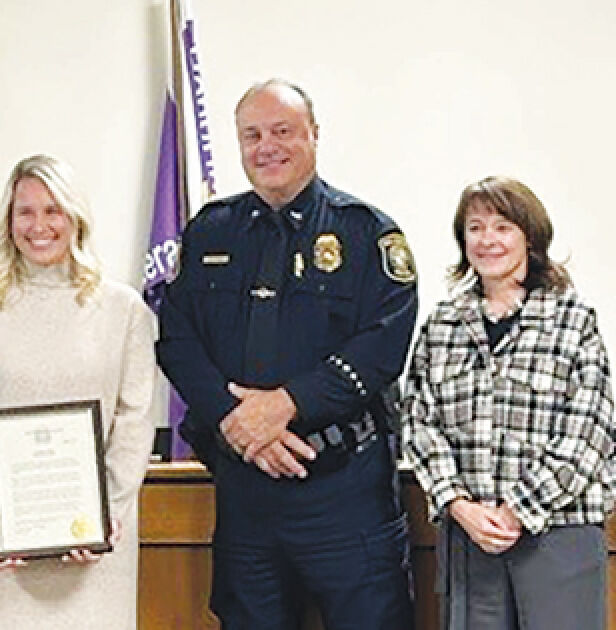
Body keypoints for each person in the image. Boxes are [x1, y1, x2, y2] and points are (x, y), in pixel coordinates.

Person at [156, 79, 418, 630]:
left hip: (345, 493)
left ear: (314, 135)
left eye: (282, 131)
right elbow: (177, 339)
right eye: (251, 135)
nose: (266, 146)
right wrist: (237, 422)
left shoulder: (367, 234)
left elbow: (382, 347)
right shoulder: (210, 231)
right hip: (246, 492)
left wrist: (285, 406)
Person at [0, 154, 156, 629]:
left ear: (74, 216)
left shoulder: (124, 310)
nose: (39, 225)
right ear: (9, 220)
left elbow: (134, 420)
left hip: (96, 548)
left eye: (52, 210)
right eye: (26, 211)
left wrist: (108, 513)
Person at [402, 176, 614, 629]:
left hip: (558, 531)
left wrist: (518, 509)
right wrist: (458, 503)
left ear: (530, 236)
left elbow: (589, 433)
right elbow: (419, 424)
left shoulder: (573, 321)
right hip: (470, 538)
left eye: (502, 227)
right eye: (475, 228)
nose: (487, 240)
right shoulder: (442, 325)